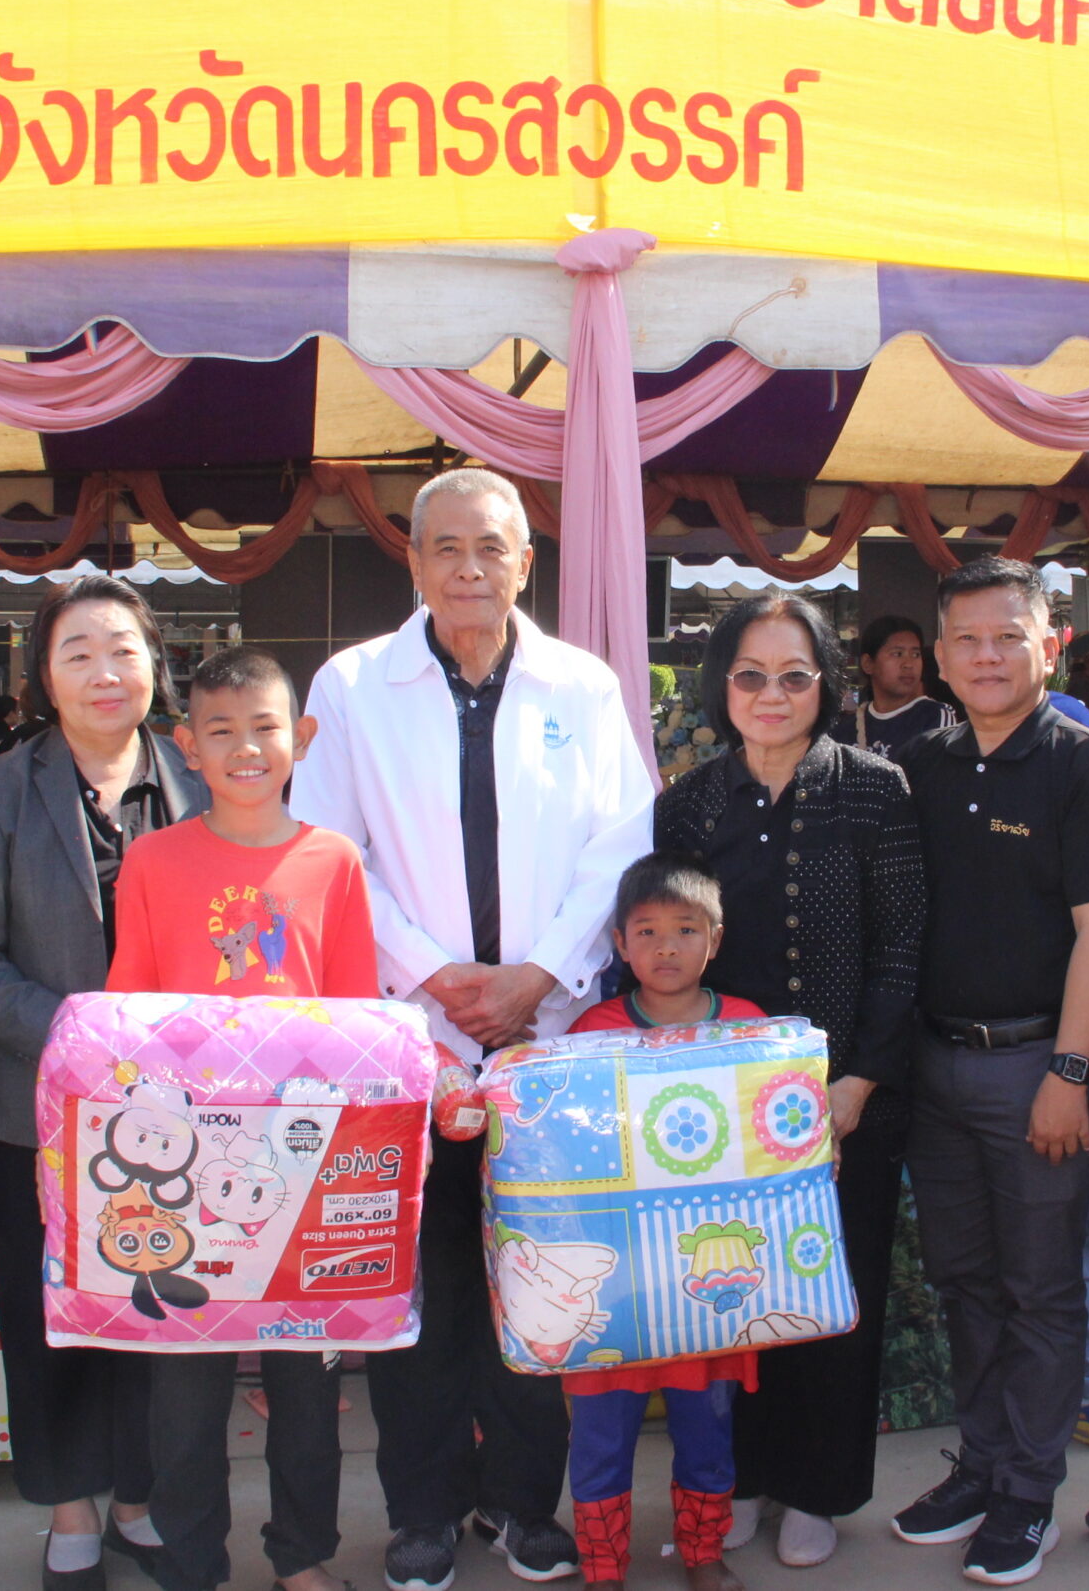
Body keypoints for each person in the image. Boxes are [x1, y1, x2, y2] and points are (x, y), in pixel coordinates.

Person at [290, 467, 653, 1591]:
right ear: (411, 560)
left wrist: (538, 974)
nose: (467, 568)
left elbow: (621, 841)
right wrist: (437, 974)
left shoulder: (582, 685)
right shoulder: (354, 685)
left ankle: (523, 1505)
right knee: (428, 1288)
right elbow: (327, 851)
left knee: (541, 1279)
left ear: (524, 564)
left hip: (547, 1037)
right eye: (444, 547)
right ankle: (424, 1511)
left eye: (490, 547)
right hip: (416, 1038)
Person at [884, 556, 1089, 1588]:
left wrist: (1069, 1072)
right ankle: (983, 1464)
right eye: (968, 640)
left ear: (1050, 645)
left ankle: (1029, 1491)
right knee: (964, 1280)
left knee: (1040, 1288)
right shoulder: (925, 764)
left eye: (1008, 637)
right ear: (941, 657)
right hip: (938, 1065)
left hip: (1041, 1063)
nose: (987, 657)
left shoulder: (1083, 766)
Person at [653, 592, 923, 1569]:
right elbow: (666, 949)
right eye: (751, 675)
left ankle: (817, 1488)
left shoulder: (875, 788)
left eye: (795, 675)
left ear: (825, 683)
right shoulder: (687, 803)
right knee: (729, 1296)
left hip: (848, 1106)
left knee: (835, 1297)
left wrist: (857, 1084)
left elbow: (903, 948)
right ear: (722, 685)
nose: (772, 694)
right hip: (717, 1114)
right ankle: (737, 1478)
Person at [99, 644, 378, 1591]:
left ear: (302, 737)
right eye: (220, 731)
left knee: (307, 1386)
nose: (246, 749)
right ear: (187, 746)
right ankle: (191, 1563)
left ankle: (302, 1557)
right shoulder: (151, 859)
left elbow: (355, 1019)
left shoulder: (334, 861)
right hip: (180, 1166)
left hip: (304, 1161)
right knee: (184, 1392)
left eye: (265, 728)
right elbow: (127, 1014)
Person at [0, 573, 206, 1591]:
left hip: (180, 1111)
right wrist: (75, 1036)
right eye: (78, 653)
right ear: (44, 677)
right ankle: (69, 1511)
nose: (105, 672)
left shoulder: (198, 779)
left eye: (124, 649)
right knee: (49, 1313)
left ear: (155, 665)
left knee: (157, 1310)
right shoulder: (0, 790)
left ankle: (139, 1500)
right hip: (42, 1107)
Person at [563, 853, 772, 1591]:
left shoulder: (751, 1029)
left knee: (706, 1427)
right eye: (646, 931)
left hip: (712, 1281)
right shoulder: (590, 1033)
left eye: (685, 929)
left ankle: (704, 1552)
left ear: (715, 938)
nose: (666, 947)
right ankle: (602, 1567)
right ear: (620, 943)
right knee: (600, 1433)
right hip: (614, 1288)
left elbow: (778, 1140)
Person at [850, 616, 960, 758]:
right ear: (868, 663)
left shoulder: (935, 717)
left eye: (915, 654)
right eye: (898, 654)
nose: (908, 664)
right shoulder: (846, 726)